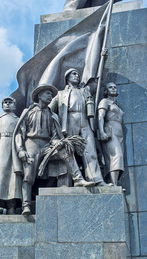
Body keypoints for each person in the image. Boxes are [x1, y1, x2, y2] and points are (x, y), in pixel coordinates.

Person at [14, 84, 94, 216]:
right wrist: (20, 150)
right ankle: (26, 205)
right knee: (28, 176)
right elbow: (19, 133)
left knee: (66, 151)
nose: (50, 97)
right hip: (31, 144)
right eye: (47, 94)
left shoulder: (52, 115)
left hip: (47, 145)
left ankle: (78, 179)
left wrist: (59, 142)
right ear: (40, 96)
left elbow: (54, 135)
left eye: (51, 95)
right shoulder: (28, 112)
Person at [49, 68, 108, 186]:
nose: (77, 76)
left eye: (78, 74)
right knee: (69, 152)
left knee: (90, 151)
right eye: (74, 74)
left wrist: (103, 58)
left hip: (85, 121)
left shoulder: (84, 91)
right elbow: (49, 109)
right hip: (69, 120)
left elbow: (97, 81)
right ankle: (67, 183)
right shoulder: (60, 94)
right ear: (67, 77)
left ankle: (96, 180)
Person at [97, 82, 124, 186]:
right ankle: (114, 185)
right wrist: (101, 131)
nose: (113, 89)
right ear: (105, 91)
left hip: (119, 132)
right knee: (117, 157)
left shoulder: (117, 105)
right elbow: (100, 117)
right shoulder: (104, 101)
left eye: (115, 87)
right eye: (110, 87)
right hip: (110, 130)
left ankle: (113, 183)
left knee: (116, 159)